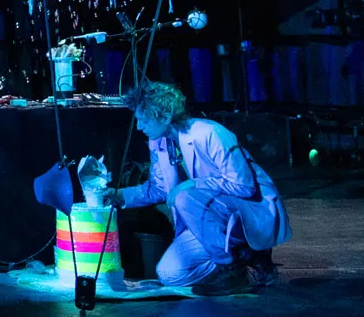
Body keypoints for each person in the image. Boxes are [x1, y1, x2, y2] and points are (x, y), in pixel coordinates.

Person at [105, 81, 289, 294]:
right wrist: (119, 196)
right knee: (169, 274)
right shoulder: (160, 143)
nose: (139, 127)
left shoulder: (209, 133)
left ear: (164, 117)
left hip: (246, 210)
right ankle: (244, 257)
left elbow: (244, 186)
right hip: (210, 218)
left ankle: (229, 267)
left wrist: (193, 183)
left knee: (185, 197)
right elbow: (159, 189)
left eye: (144, 120)